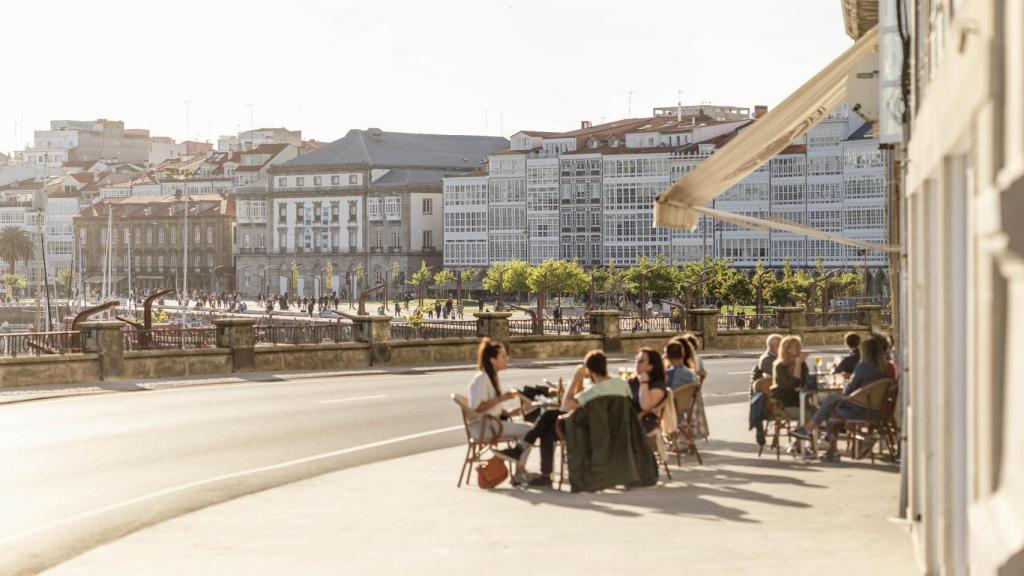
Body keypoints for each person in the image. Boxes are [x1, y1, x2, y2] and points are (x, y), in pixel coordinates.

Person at [791, 338, 893, 457]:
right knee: (832, 404)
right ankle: (826, 443)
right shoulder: (886, 367)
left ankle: (819, 438)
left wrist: (848, 380)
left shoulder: (863, 366)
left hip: (859, 411)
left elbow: (848, 390)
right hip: (877, 411)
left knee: (831, 404)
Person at [467, 338, 533, 484]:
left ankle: (514, 460)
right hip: (484, 427)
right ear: (492, 360)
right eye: (503, 356)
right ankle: (518, 469)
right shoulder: (482, 378)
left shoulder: (491, 377)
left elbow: (490, 406)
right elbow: (477, 408)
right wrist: (502, 398)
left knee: (528, 429)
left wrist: (510, 413)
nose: (507, 358)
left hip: (490, 424)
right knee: (530, 430)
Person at [560, 350, 632, 413]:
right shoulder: (623, 383)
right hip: (622, 424)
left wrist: (576, 378)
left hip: (599, 425)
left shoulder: (592, 392)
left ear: (589, 371)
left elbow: (565, 406)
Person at [771, 335, 810, 420]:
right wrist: (798, 364)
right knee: (809, 417)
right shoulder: (780, 366)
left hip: (800, 401)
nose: (799, 349)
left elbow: (806, 382)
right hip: (785, 403)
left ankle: (802, 427)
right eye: (796, 346)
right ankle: (802, 428)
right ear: (787, 349)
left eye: (799, 346)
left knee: (821, 413)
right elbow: (791, 385)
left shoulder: (803, 365)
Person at [627, 348, 668, 419]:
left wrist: (644, 382)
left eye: (641, 361)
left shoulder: (658, 386)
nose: (636, 363)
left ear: (651, 366)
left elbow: (645, 406)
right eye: (636, 359)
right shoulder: (634, 381)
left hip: (638, 422)